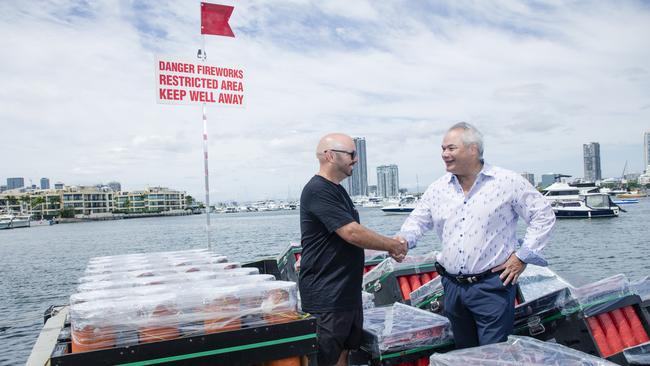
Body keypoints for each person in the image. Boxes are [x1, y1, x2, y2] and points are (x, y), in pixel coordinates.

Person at [395, 122, 555, 349]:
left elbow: (544, 215)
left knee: (493, 354)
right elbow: (417, 221)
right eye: (442, 149)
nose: (444, 154)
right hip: (452, 287)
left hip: (492, 286)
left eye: (450, 148)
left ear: (473, 149)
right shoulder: (438, 188)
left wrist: (522, 257)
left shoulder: (507, 182)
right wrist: (401, 241)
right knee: (463, 353)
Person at [300, 133, 408, 366]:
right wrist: (392, 245)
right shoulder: (318, 189)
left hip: (346, 294)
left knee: (344, 354)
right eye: (351, 154)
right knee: (326, 358)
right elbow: (351, 232)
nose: (356, 159)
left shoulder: (337, 189)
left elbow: (351, 239)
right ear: (330, 156)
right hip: (326, 297)